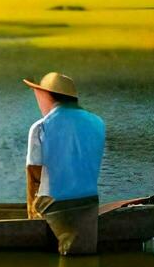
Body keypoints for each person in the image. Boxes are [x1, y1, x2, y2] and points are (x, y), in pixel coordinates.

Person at [25, 72, 105, 255]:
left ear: (46, 96)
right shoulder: (98, 122)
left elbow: (34, 176)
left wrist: (32, 217)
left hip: (54, 203)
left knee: (66, 263)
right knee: (83, 258)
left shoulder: (41, 127)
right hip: (89, 201)